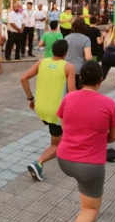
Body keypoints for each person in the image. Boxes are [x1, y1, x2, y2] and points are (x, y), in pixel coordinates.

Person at [53, 60, 115, 222]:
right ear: (100, 80)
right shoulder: (109, 104)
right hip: (90, 165)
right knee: (90, 208)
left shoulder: (69, 97)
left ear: (80, 78)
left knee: (83, 189)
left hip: (64, 159)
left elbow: (65, 125)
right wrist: (99, 139)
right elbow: (114, 136)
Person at [22, 39, 76, 181]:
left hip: (40, 108)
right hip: (56, 112)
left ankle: (67, 154)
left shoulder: (42, 62)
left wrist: (30, 99)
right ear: (66, 52)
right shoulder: (68, 67)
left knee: (61, 135)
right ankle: (38, 163)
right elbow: (72, 93)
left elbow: (23, 78)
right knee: (57, 144)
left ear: (52, 50)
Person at [65, 18, 92, 90]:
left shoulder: (67, 38)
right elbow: (88, 57)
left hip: (66, 68)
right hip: (79, 70)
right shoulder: (86, 39)